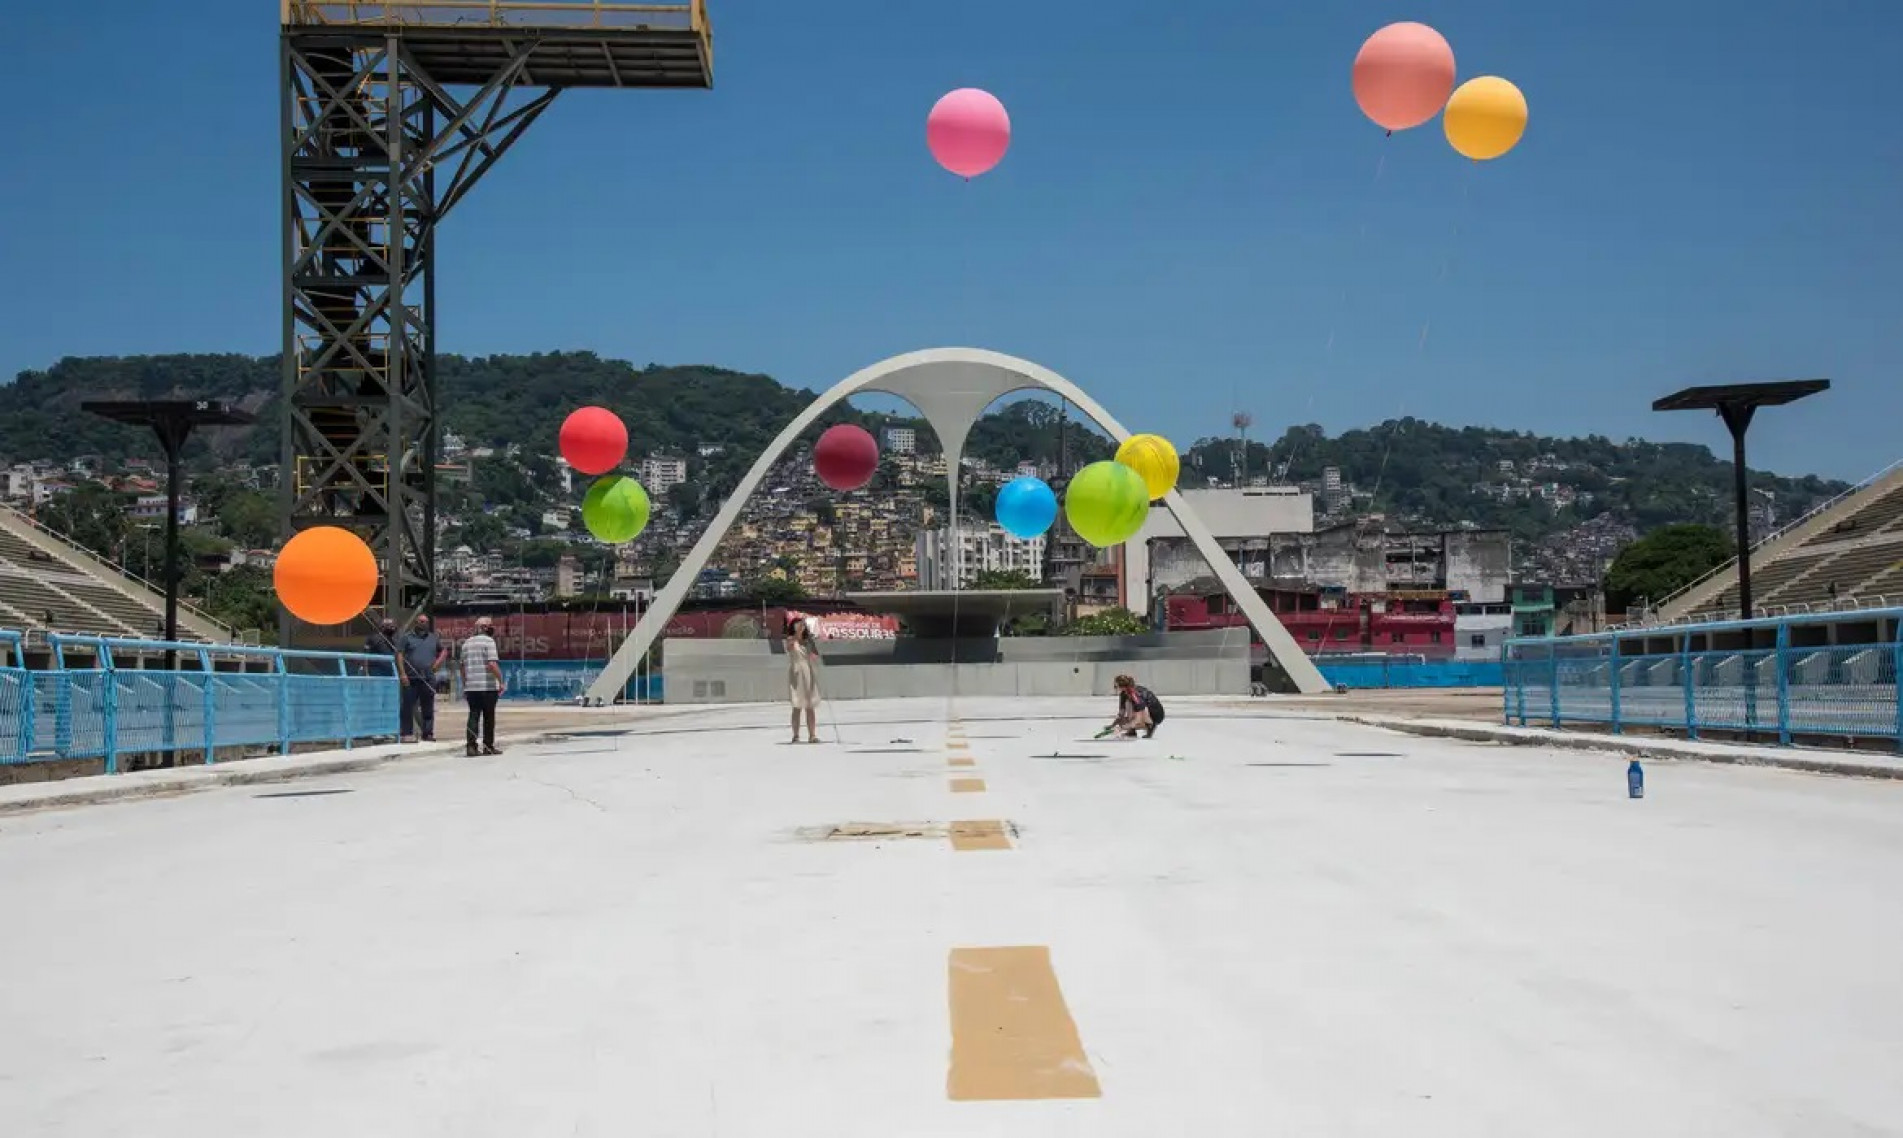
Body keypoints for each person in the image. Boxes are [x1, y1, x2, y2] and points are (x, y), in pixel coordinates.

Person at [459, 615, 506, 756]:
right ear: (484, 627)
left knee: (473, 716)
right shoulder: (489, 642)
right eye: (490, 625)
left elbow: (462, 667)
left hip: (471, 687)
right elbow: (492, 664)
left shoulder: (466, 643)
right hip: (487, 686)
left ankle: (471, 746)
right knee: (488, 717)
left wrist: (465, 683)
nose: (492, 627)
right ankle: (488, 746)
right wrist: (501, 681)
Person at [398, 613, 448, 743]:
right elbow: (399, 655)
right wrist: (402, 673)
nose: (423, 624)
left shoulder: (433, 638)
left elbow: (444, 651)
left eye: (425, 622)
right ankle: (407, 733)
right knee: (407, 706)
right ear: (416, 622)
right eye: (420, 621)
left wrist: (437, 663)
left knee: (428, 707)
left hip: (428, 678)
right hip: (411, 677)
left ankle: (428, 733)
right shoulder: (406, 637)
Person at [786, 614, 823, 744]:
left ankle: (812, 735)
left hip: (808, 671)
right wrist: (798, 634)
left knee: (810, 705)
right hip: (796, 672)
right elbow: (790, 647)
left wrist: (812, 645)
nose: (800, 625)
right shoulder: (791, 639)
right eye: (797, 623)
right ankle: (795, 735)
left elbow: (816, 655)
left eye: (801, 624)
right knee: (797, 705)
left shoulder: (808, 642)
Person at [1109, 673, 1165, 739]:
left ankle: (1149, 725)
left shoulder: (1134, 694)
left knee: (1130, 705)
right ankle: (1132, 730)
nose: (1115, 688)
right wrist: (1113, 725)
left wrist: (1122, 728)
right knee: (1125, 716)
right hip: (1143, 712)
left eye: (1116, 686)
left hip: (1155, 715)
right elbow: (1121, 714)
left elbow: (1138, 718)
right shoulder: (1124, 693)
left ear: (1122, 686)